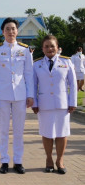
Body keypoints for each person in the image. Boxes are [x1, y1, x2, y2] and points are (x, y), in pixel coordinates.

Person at [0, 18, 34, 174]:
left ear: (17, 31)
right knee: (3, 130)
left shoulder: (25, 50)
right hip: (2, 95)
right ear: (3, 32)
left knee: (18, 130)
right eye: (7, 29)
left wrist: (31, 94)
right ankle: (4, 161)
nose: (11, 31)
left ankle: (18, 161)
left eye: (13, 28)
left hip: (21, 95)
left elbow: (29, 74)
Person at [32, 35, 77, 174]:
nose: (49, 48)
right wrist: (34, 102)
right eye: (46, 46)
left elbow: (73, 84)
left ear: (57, 47)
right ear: (42, 49)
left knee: (62, 134)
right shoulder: (37, 64)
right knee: (46, 133)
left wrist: (72, 102)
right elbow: (33, 85)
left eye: (52, 46)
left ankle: (60, 160)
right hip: (44, 105)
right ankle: (49, 159)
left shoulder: (66, 62)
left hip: (62, 103)